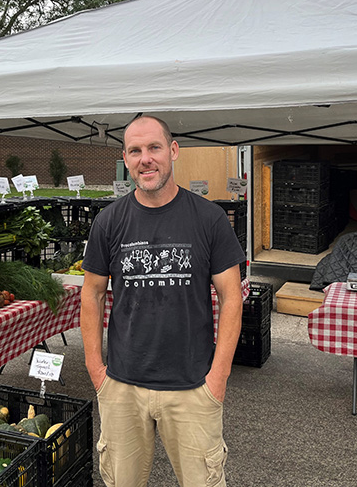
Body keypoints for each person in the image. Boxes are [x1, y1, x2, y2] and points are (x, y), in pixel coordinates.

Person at [80, 115, 245, 487]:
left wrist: (218, 376)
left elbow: (231, 298)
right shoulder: (109, 221)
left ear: (173, 151)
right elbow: (91, 294)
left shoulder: (209, 219)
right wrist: (96, 369)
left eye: (154, 147)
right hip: (122, 386)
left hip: (192, 386)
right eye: (135, 151)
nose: (145, 159)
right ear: (125, 158)